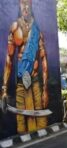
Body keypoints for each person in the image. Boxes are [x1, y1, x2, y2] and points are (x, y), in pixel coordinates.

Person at [1, 0, 49, 134]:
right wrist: (4, 89)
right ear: (19, 5)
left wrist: (45, 89)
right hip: (21, 82)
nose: (26, 7)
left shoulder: (37, 30)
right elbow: (8, 59)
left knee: (41, 122)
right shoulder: (15, 27)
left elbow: (44, 58)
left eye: (28, 3)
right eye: (23, 3)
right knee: (21, 124)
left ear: (32, 5)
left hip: (35, 82)